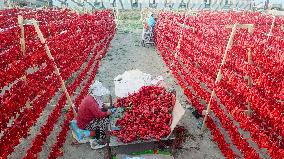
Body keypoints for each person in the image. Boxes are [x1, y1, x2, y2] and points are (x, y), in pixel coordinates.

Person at [76, 80, 112, 146]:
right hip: (85, 123)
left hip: (85, 119)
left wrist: (106, 106)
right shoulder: (91, 102)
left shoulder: (92, 96)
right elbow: (99, 115)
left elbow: (101, 103)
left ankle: (97, 133)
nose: (101, 95)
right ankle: (99, 138)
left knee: (104, 112)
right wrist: (107, 113)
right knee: (105, 121)